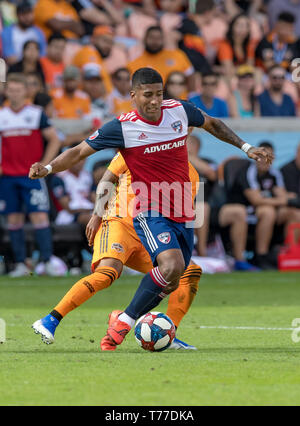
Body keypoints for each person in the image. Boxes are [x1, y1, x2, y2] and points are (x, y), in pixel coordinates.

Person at [29, 67, 272, 350]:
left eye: (159, 94)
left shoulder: (180, 113)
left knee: (177, 277)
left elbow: (214, 123)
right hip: (140, 213)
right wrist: (49, 170)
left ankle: (161, 331)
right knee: (144, 269)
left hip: (179, 214)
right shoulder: (122, 128)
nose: (155, 101)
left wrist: (246, 147)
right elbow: (81, 154)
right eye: (148, 95)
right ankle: (85, 319)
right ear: (133, 96)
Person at [32, 151, 202, 350]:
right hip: (119, 223)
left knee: (187, 271)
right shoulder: (139, 149)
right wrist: (97, 215)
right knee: (107, 273)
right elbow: (107, 180)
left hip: (150, 233)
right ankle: (51, 320)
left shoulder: (192, 175)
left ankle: (167, 333)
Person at [0, 73, 60, 277]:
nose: (14, 93)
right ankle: (20, 264)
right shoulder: (2, 115)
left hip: (32, 176)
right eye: (11, 89)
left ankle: (47, 261)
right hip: (7, 176)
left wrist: (45, 164)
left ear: (25, 91)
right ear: (6, 91)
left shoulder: (36, 114)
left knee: (40, 216)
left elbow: (54, 139)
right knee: (14, 219)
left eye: (18, 89)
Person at [224, 141, 300, 269]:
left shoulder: (275, 174)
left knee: (294, 213)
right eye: (262, 156)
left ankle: (290, 254)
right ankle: (261, 255)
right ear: (255, 156)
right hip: (245, 211)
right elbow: (256, 200)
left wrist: (282, 199)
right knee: (267, 211)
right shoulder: (248, 172)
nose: (265, 160)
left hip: (265, 210)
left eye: (268, 156)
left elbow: (282, 195)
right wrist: (283, 199)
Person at [127, 26, 195, 92]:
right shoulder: (135, 64)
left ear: (163, 40)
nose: (155, 41)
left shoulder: (177, 55)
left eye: (158, 38)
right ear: (144, 39)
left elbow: (190, 75)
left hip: (179, 101)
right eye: (151, 37)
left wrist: (191, 95)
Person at [186, 134, 217, 257]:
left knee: (201, 207)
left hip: (207, 204)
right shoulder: (177, 164)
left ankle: (202, 252)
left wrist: (190, 158)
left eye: (188, 144)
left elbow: (212, 174)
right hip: (179, 202)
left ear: (197, 147)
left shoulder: (208, 162)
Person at [1, 1, 47, 66]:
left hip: (36, 68)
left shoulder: (38, 32)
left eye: (29, 13)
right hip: (14, 68)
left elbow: (43, 55)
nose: (27, 17)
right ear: (17, 15)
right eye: (23, 14)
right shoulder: (7, 32)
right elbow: (9, 57)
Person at [216, 13, 258, 79]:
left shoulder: (248, 45)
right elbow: (229, 70)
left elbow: (250, 67)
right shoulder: (224, 45)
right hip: (226, 78)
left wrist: (240, 69)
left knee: (258, 72)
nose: (243, 28)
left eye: (246, 26)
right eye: (240, 25)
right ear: (232, 27)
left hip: (243, 77)